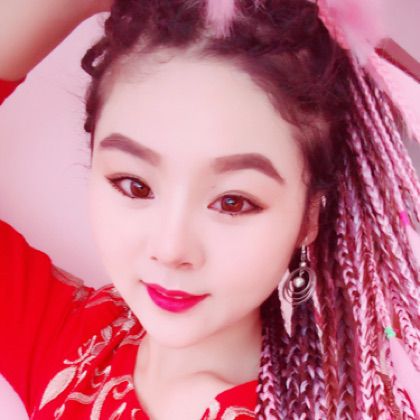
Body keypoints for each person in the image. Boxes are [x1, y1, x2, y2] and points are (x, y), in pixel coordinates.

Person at [1, 0, 419, 419]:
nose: (170, 250)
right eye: (135, 185)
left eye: (233, 202)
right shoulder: (73, 342)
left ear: (308, 216)